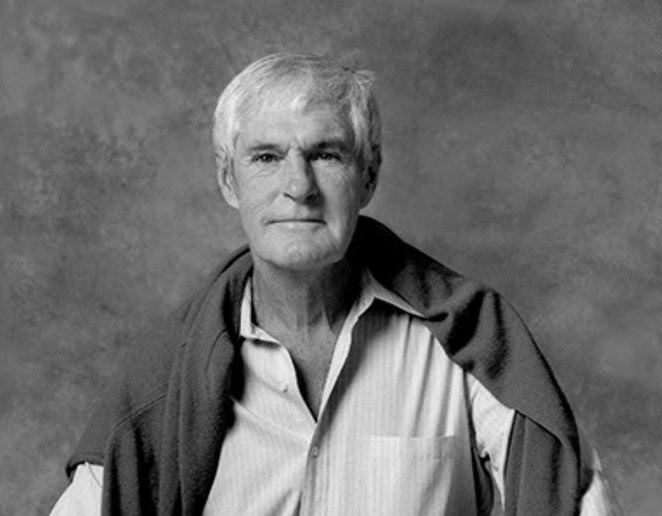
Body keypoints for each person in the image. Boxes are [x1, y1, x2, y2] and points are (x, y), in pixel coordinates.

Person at [50, 53, 617, 515]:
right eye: (266, 157)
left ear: (368, 175)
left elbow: (570, 493)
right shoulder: (165, 376)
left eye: (325, 155)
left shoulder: (471, 343)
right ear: (228, 180)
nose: (298, 187)